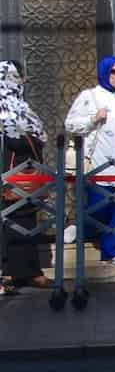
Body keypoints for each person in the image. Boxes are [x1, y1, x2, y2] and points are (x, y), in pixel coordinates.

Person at [63, 56, 115, 267]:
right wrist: (93, 119)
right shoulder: (90, 96)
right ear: (104, 72)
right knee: (98, 207)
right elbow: (71, 124)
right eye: (114, 72)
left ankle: (112, 251)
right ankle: (82, 228)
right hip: (99, 163)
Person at [0, 61, 50, 293]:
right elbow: (14, 141)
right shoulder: (5, 109)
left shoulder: (20, 107)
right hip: (10, 173)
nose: (24, 81)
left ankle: (25, 271)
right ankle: (11, 272)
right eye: (19, 77)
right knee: (10, 221)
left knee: (25, 219)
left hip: (26, 174)